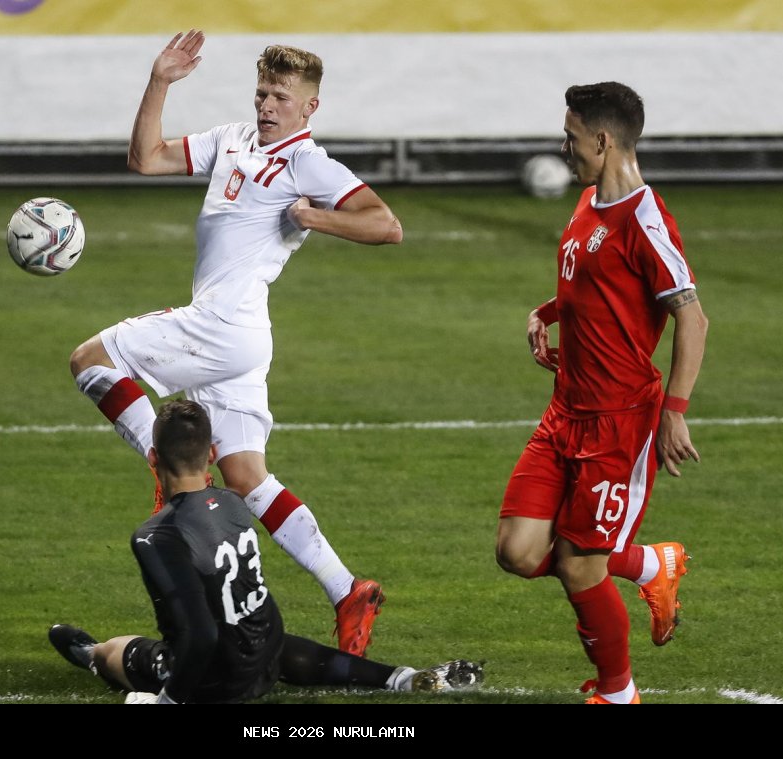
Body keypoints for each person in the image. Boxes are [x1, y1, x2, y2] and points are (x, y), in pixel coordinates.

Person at [69, 31, 403, 657]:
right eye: (262, 93)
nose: (268, 105)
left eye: (282, 96)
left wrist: (316, 217)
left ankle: (157, 453)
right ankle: (346, 588)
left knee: (90, 359)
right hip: (242, 335)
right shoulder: (232, 139)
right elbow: (147, 158)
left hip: (220, 327)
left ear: (310, 108)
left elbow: (387, 225)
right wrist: (160, 81)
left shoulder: (310, 163)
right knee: (248, 477)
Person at [495, 82, 709, 704]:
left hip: (617, 424)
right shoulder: (588, 202)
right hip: (565, 412)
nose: (564, 146)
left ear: (602, 139)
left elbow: (691, 317)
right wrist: (548, 312)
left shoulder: (645, 220)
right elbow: (591, 289)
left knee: (579, 565)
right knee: (517, 551)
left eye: (570, 136)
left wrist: (675, 414)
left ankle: (619, 695)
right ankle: (649, 565)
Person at [50, 399, 483, 704]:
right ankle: (400, 678)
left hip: (215, 680)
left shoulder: (155, 535)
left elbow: (199, 635)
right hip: (266, 653)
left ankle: (90, 654)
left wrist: (170, 702)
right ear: (212, 454)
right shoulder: (237, 505)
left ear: (153, 456)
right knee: (260, 633)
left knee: (116, 653)